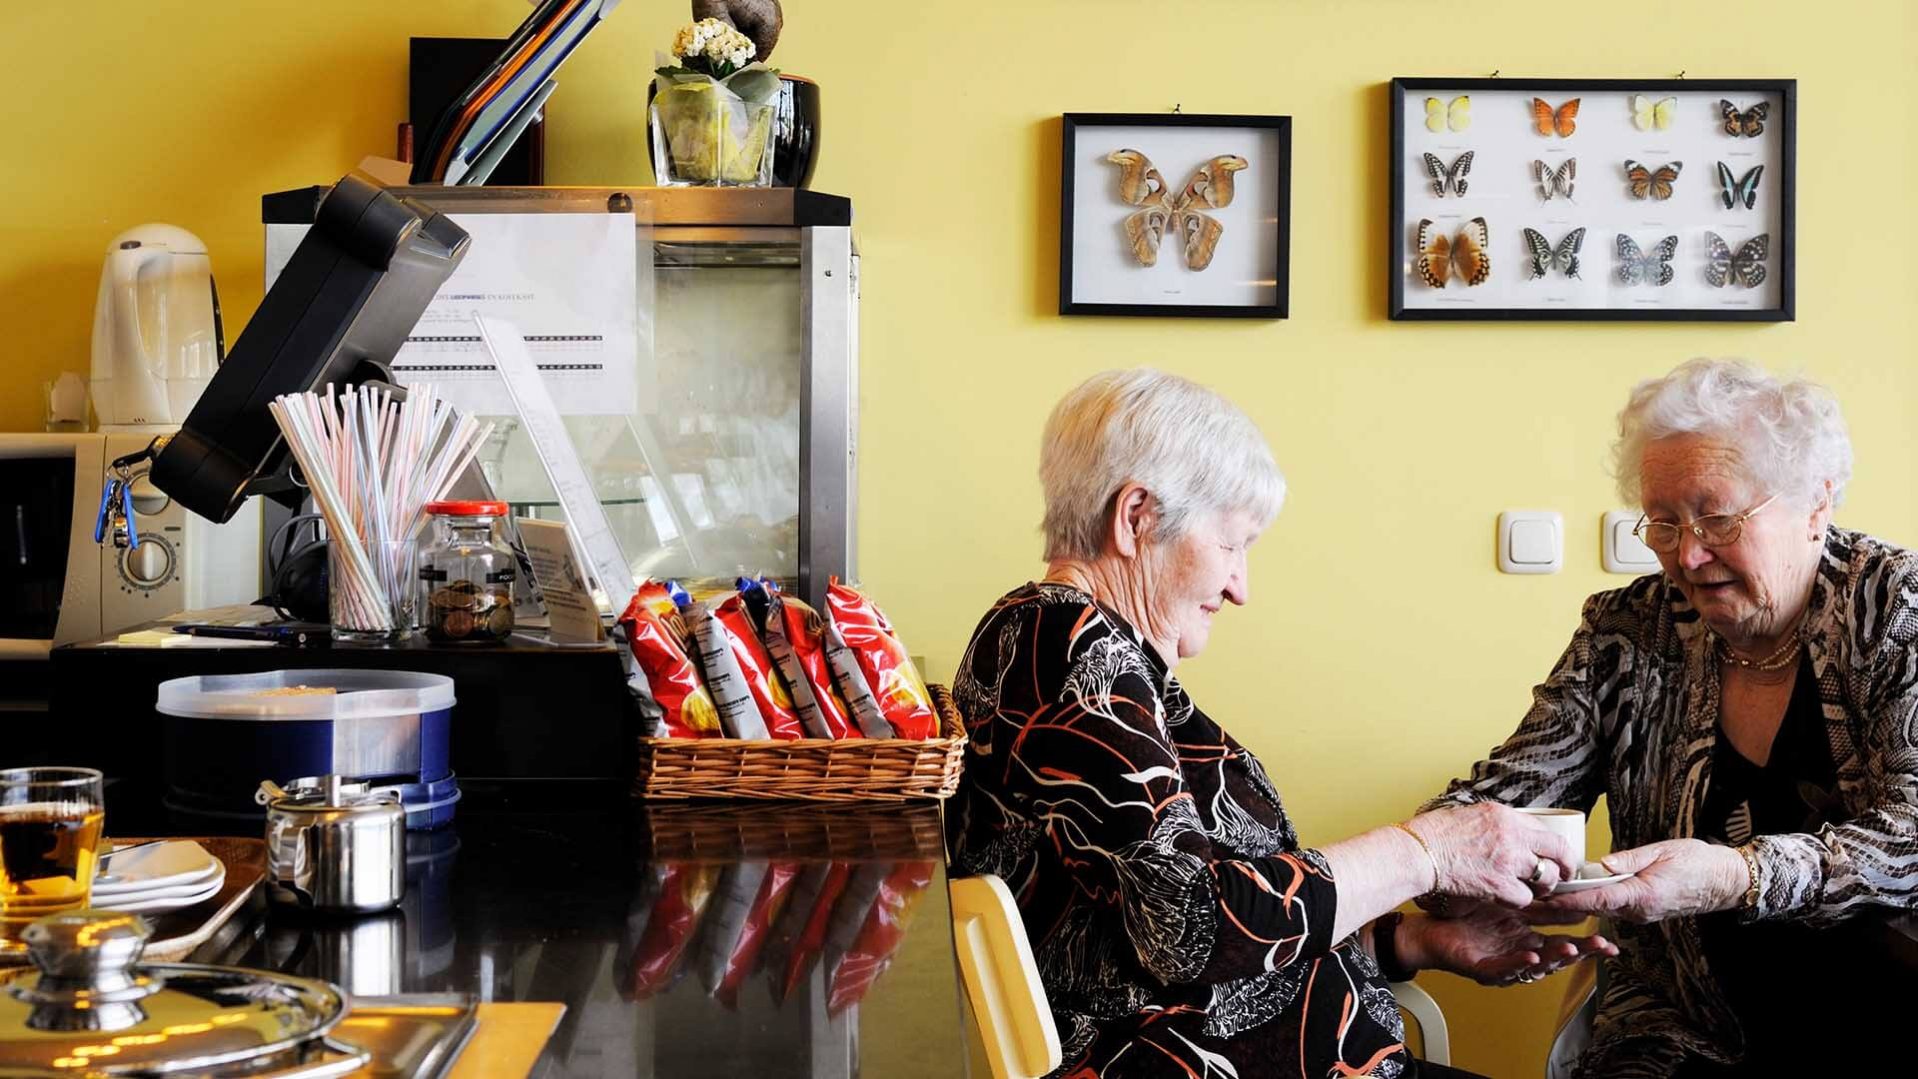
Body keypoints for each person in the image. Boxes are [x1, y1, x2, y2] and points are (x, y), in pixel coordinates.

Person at [947, 369, 1614, 1079]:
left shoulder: (1077, 649)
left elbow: (1159, 943)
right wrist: (1426, 850)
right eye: (1234, 543)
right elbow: (1190, 927)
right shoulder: (1066, 648)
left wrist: (1413, 941)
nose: (1240, 585)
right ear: (1136, 515)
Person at [1429, 358, 1918, 1076]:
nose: (1686, 555)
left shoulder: (1896, 611)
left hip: (1887, 1012)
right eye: (1662, 522)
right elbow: (1499, 800)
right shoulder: (1627, 631)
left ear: (1816, 503)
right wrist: (1452, 871)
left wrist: (1736, 876)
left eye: (1716, 516)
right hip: (1678, 1025)